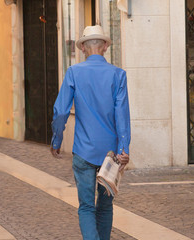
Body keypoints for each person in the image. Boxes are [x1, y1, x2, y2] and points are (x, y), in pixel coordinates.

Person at [50, 25, 131, 240]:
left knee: (86, 206)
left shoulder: (74, 73)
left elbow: (60, 111)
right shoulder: (118, 75)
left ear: (83, 48)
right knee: (105, 207)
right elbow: (122, 115)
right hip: (111, 154)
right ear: (105, 47)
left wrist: (56, 139)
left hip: (84, 150)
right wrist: (124, 149)